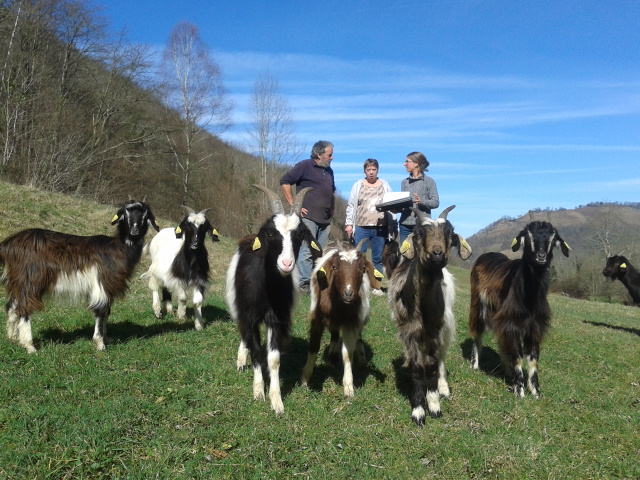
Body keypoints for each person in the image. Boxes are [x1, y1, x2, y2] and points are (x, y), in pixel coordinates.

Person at [280, 140, 336, 294]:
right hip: (308, 217)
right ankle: (304, 285)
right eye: (329, 155)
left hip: (325, 219)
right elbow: (285, 181)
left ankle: (317, 283)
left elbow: (332, 191)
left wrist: (331, 211)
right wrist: (293, 204)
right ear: (319, 154)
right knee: (307, 251)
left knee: (321, 252)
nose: (332, 158)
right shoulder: (305, 166)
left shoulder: (329, 171)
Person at [345, 158, 391, 296]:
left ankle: (376, 286)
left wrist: (392, 226)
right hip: (361, 227)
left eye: (374, 170)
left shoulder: (385, 185)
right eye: (368, 170)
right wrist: (349, 224)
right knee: (359, 257)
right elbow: (351, 206)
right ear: (364, 171)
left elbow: (392, 205)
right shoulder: (358, 185)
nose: (371, 172)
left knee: (377, 258)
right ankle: (359, 285)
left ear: (377, 170)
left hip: (380, 228)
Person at [398, 151, 439, 243]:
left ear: (416, 163)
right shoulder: (404, 182)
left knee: (422, 256)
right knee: (405, 255)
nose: (404, 164)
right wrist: (396, 209)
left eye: (407, 161)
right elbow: (404, 205)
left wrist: (422, 201)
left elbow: (436, 202)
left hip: (423, 225)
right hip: (405, 225)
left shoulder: (429, 181)